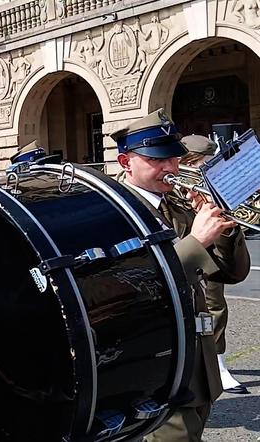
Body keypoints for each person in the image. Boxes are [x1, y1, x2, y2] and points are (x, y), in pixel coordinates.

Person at [112, 110, 250, 441]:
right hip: (153, 368)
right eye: (156, 160)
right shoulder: (112, 209)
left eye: (173, 159)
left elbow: (233, 273)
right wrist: (196, 241)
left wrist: (224, 228)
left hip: (195, 366)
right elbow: (131, 286)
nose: (171, 169)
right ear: (125, 162)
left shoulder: (177, 204)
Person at [180, 134, 250, 395]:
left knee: (216, 305)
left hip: (211, 254)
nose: (206, 169)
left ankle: (218, 362)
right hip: (188, 251)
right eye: (202, 164)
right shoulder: (175, 186)